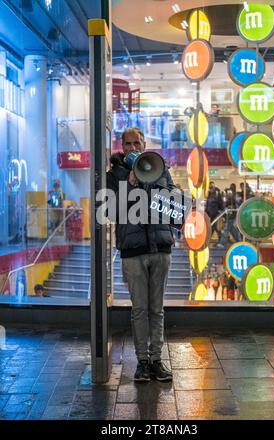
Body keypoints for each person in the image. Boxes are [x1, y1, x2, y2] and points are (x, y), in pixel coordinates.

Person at [106, 127, 174, 383]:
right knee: (139, 310)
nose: (133, 148)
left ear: (144, 144)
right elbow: (111, 212)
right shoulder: (115, 176)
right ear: (122, 147)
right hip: (133, 252)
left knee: (157, 309)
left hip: (160, 247)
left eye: (137, 143)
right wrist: (128, 184)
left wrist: (152, 180)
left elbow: (173, 205)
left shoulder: (160, 168)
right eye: (128, 144)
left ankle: (157, 360)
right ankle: (142, 362)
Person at [205, 181, 225, 248]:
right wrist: (206, 212)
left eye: (211, 187)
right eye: (209, 187)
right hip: (210, 214)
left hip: (215, 214)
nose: (210, 189)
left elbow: (221, 203)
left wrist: (221, 211)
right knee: (213, 227)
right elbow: (208, 204)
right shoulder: (209, 194)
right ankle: (218, 240)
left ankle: (218, 241)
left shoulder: (217, 194)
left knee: (214, 227)